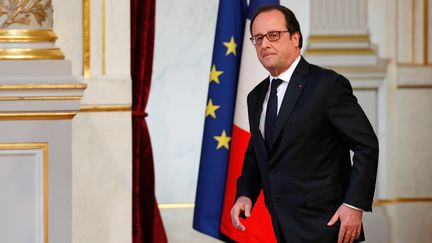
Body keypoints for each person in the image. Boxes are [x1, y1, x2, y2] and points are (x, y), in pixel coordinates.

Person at [230, 5, 379, 243]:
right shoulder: (255, 96)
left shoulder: (327, 85)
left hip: (328, 227)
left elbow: (366, 145)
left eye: (273, 35)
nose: (265, 44)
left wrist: (354, 204)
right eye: (258, 39)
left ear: (295, 38)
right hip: (282, 225)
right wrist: (245, 194)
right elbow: (257, 154)